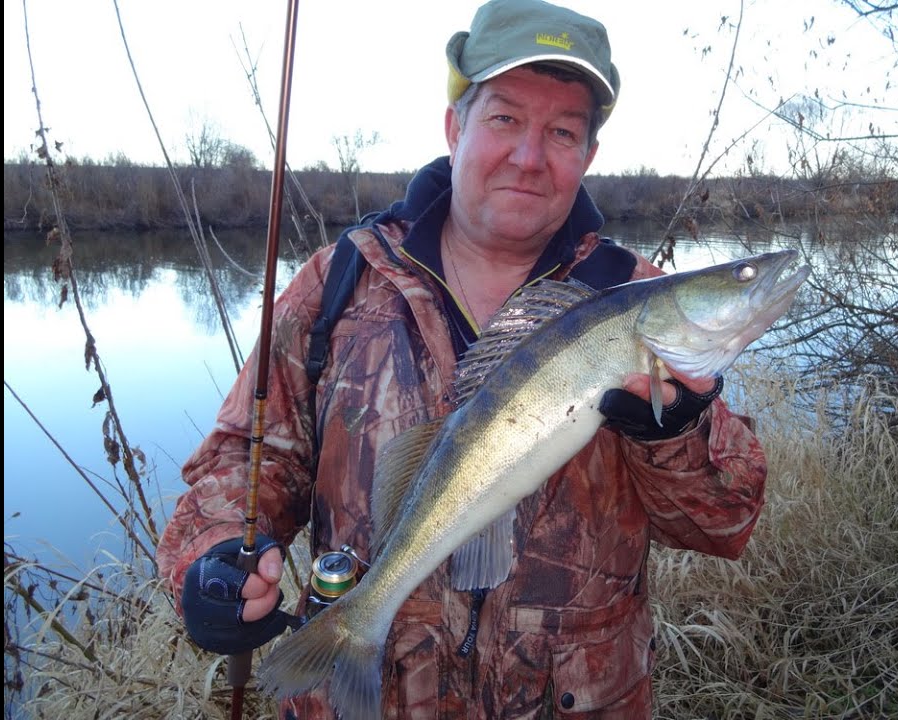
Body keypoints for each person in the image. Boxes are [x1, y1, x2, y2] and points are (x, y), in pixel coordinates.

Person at [157, 0, 769, 717]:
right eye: (505, 119)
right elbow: (244, 459)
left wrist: (674, 434)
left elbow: (724, 524)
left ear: (589, 157)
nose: (529, 156)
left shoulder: (629, 298)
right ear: (455, 127)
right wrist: (218, 560)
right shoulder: (338, 283)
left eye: (563, 131)